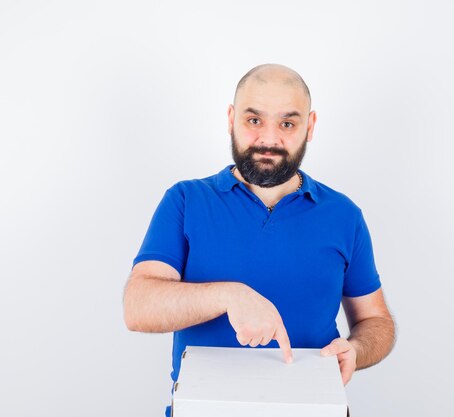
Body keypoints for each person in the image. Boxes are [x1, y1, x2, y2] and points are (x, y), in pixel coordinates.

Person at [123, 63, 396, 416]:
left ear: (309, 126)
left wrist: (357, 349)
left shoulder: (344, 215)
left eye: (287, 123)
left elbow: (376, 321)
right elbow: (138, 307)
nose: (269, 140)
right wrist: (228, 295)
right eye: (254, 120)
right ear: (231, 119)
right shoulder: (186, 200)